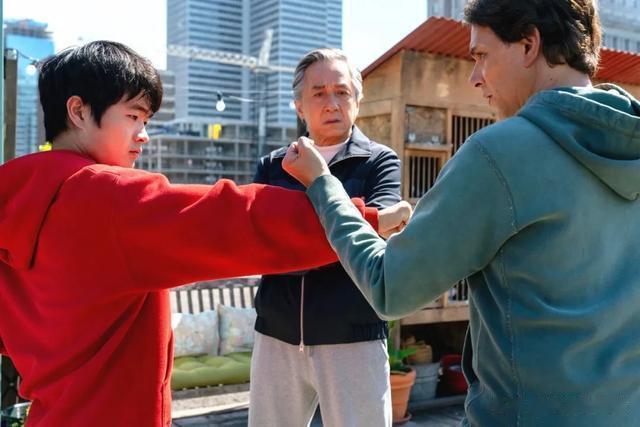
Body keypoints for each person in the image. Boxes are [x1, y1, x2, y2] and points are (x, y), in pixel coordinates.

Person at [0, 41, 411, 427]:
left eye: (146, 120)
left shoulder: (14, 199)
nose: (143, 134)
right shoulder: (108, 197)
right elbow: (237, 220)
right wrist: (367, 218)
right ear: (78, 111)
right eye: (133, 116)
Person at [282, 1, 640, 425]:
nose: (475, 77)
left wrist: (323, 186)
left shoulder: (500, 153)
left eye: (481, 55)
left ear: (529, 45)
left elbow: (391, 286)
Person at [248, 48, 401, 427]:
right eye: (318, 93)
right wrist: (354, 224)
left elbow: (371, 239)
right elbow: (261, 242)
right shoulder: (273, 165)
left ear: (358, 101)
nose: (332, 102)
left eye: (342, 92)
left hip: (354, 335)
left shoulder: (380, 162)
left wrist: (296, 235)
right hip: (277, 335)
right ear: (299, 106)